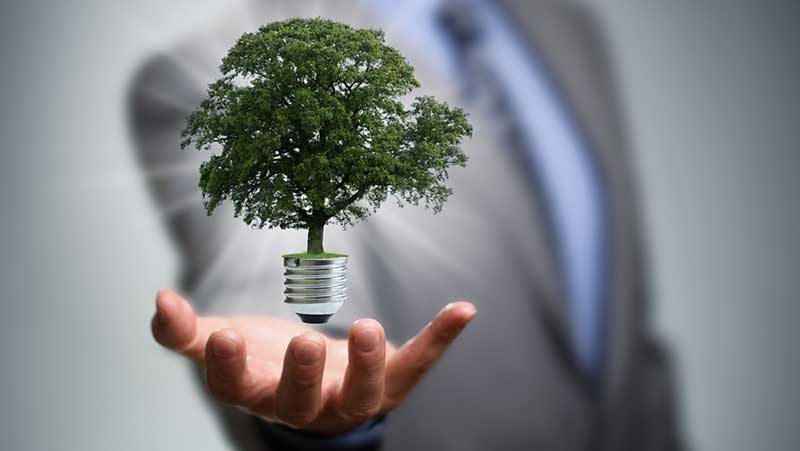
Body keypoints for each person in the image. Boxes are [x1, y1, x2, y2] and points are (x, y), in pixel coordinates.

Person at [128, 0, 685, 449]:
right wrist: (313, 383)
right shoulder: (228, 69)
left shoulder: (569, 32)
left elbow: (621, 329)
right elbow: (255, 258)